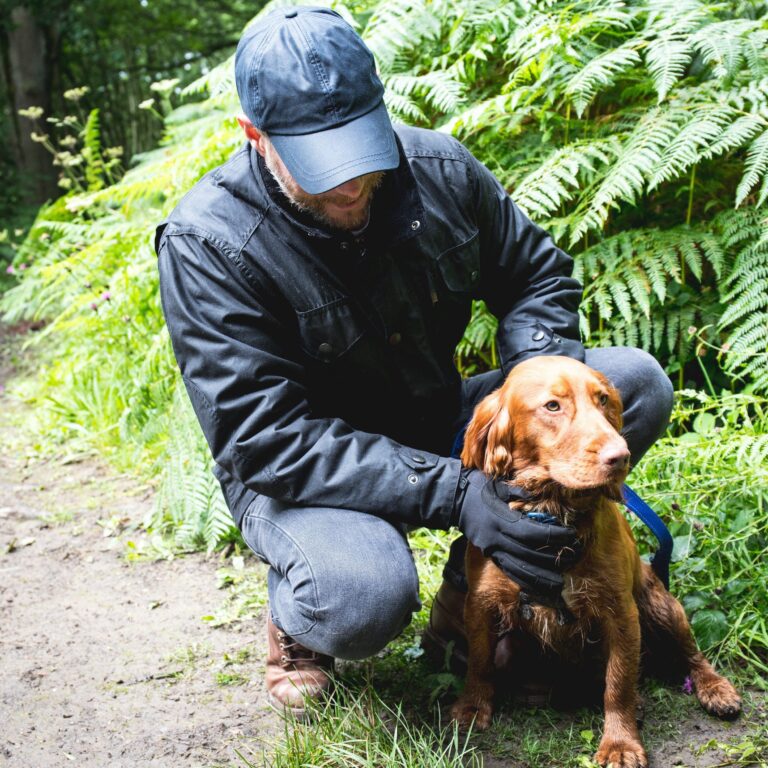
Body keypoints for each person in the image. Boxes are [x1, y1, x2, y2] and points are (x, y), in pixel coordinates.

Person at [155, 6, 674, 717]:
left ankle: (498, 576)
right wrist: (459, 493)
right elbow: (267, 439)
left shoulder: (437, 167)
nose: (349, 184)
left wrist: (534, 390)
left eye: (360, 149)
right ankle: (300, 619)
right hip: (308, 474)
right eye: (320, 163)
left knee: (637, 384)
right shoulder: (209, 244)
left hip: (433, 414)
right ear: (256, 137)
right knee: (364, 596)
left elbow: (537, 278)